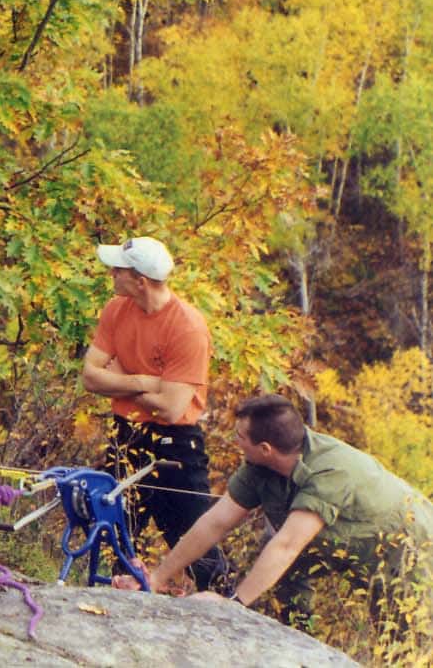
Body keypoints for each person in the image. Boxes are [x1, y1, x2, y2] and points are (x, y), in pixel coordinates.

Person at [116, 395, 433, 632]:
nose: (234, 441)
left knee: (403, 640)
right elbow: (214, 523)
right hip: (340, 547)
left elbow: (287, 545)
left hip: (410, 553)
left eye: (240, 436)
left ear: (265, 447)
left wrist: (234, 605)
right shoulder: (259, 465)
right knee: (286, 587)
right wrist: (156, 578)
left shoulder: (331, 471)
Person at [80, 236, 231, 591]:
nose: (112, 274)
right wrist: (146, 382)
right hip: (128, 433)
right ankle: (116, 596)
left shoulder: (187, 327)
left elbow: (172, 407)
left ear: (140, 281)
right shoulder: (117, 309)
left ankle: (225, 605)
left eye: (118, 270)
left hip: (176, 444)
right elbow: (90, 376)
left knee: (197, 541)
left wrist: (118, 379)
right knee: (114, 531)